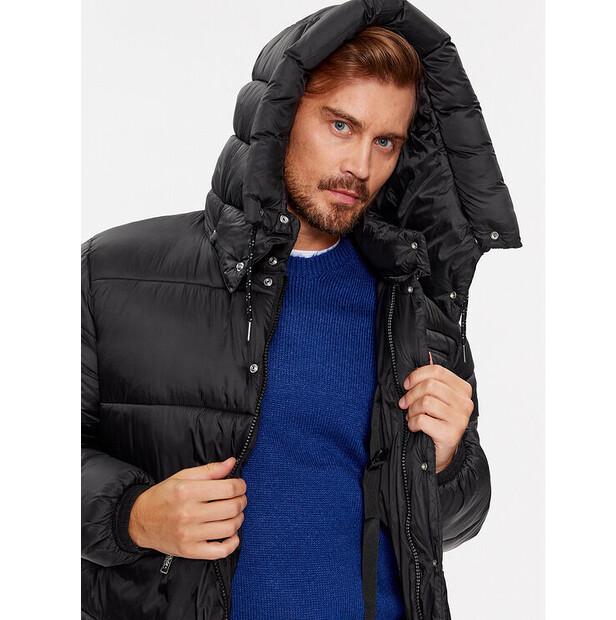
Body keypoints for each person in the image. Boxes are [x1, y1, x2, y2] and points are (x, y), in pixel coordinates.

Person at [81, 2, 522, 619]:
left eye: (386, 141)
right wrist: (132, 515)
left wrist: (445, 459)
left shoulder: (413, 298)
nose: (360, 166)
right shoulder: (114, 272)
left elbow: (451, 527)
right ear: (280, 114)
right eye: (341, 126)